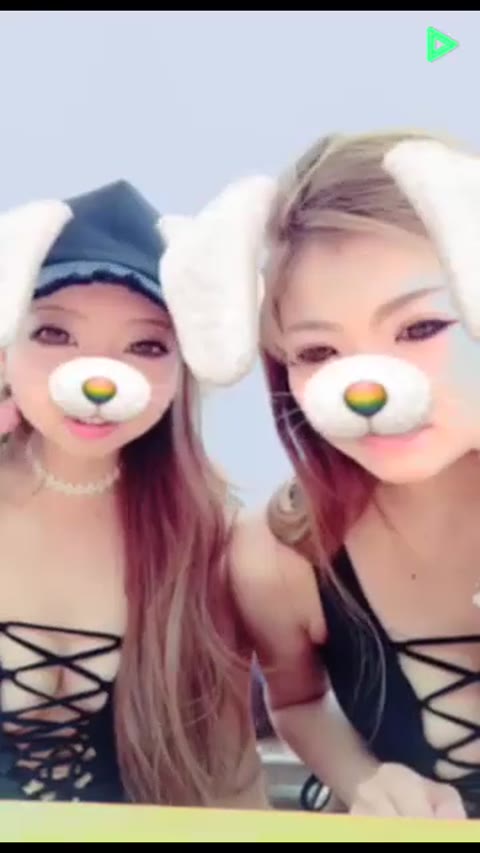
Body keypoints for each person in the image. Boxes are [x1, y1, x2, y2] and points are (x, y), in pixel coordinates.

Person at [229, 129, 480, 820]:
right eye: (318, 351)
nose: (365, 387)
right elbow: (298, 700)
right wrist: (365, 779)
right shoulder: (277, 552)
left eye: (420, 328)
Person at [0, 179, 266, 807]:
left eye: (146, 345)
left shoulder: (205, 534)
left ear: (182, 369)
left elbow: (231, 771)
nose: (99, 377)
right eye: (54, 334)